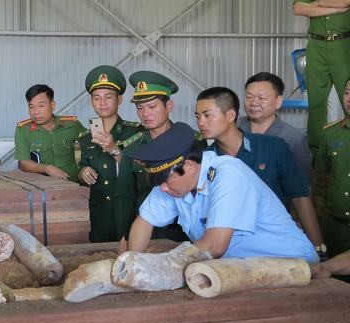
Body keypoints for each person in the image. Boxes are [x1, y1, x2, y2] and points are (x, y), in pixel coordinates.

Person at [125, 121, 318, 264]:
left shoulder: (228, 174)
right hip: (240, 267)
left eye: (165, 182)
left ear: (190, 166)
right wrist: (134, 262)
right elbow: (145, 221)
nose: (163, 189)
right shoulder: (175, 183)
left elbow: (215, 246)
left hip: (289, 265)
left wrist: (157, 265)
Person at [198, 86, 325, 257]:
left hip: (277, 246)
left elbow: (300, 196)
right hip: (233, 249)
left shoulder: (272, 147)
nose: (201, 123)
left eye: (207, 115)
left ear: (230, 115)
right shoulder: (204, 160)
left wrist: (318, 247)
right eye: (197, 117)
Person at [128, 70, 205, 241]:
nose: (145, 113)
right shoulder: (132, 146)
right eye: (140, 108)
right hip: (146, 225)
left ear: (169, 106)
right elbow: (127, 193)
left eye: (152, 106)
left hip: (184, 230)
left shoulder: (194, 141)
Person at [77, 65, 145, 242]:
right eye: (97, 98)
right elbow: (80, 169)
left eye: (108, 97)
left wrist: (115, 150)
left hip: (127, 213)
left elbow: (142, 172)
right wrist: (83, 173)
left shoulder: (136, 133)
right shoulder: (85, 137)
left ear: (119, 99)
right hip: (97, 215)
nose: (102, 103)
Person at [293, 0, 350, 153]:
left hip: (344, 45)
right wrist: (335, 9)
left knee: (349, 99)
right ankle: (317, 152)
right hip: (316, 45)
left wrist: (318, 3)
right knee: (316, 102)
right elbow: (298, 8)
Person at [237, 72, 313, 183]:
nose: (254, 102)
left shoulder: (294, 138)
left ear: (278, 101)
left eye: (262, 98)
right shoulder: (233, 128)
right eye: (249, 97)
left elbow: (303, 184)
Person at [14, 84, 84, 182]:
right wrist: (47, 169)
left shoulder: (71, 125)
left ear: (53, 105)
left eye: (41, 106)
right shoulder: (23, 130)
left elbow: (91, 145)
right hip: (42, 188)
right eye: (31, 107)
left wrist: (85, 169)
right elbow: (23, 163)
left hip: (74, 184)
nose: (36, 112)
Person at [315, 77, 350, 258]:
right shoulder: (330, 133)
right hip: (335, 229)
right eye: (347, 92)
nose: (349, 99)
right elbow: (321, 182)